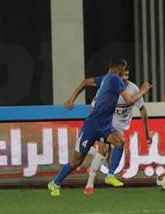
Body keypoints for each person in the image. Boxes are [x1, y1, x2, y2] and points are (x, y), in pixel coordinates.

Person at [47, 57, 151, 197]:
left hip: (105, 125)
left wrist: (72, 99)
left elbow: (85, 82)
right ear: (118, 67)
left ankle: (110, 175)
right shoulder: (114, 79)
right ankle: (55, 183)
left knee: (120, 141)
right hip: (92, 126)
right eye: (123, 68)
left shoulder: (106, 78)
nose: (124, 71)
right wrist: (143, 89)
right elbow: (130, 100)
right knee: (77, 160)